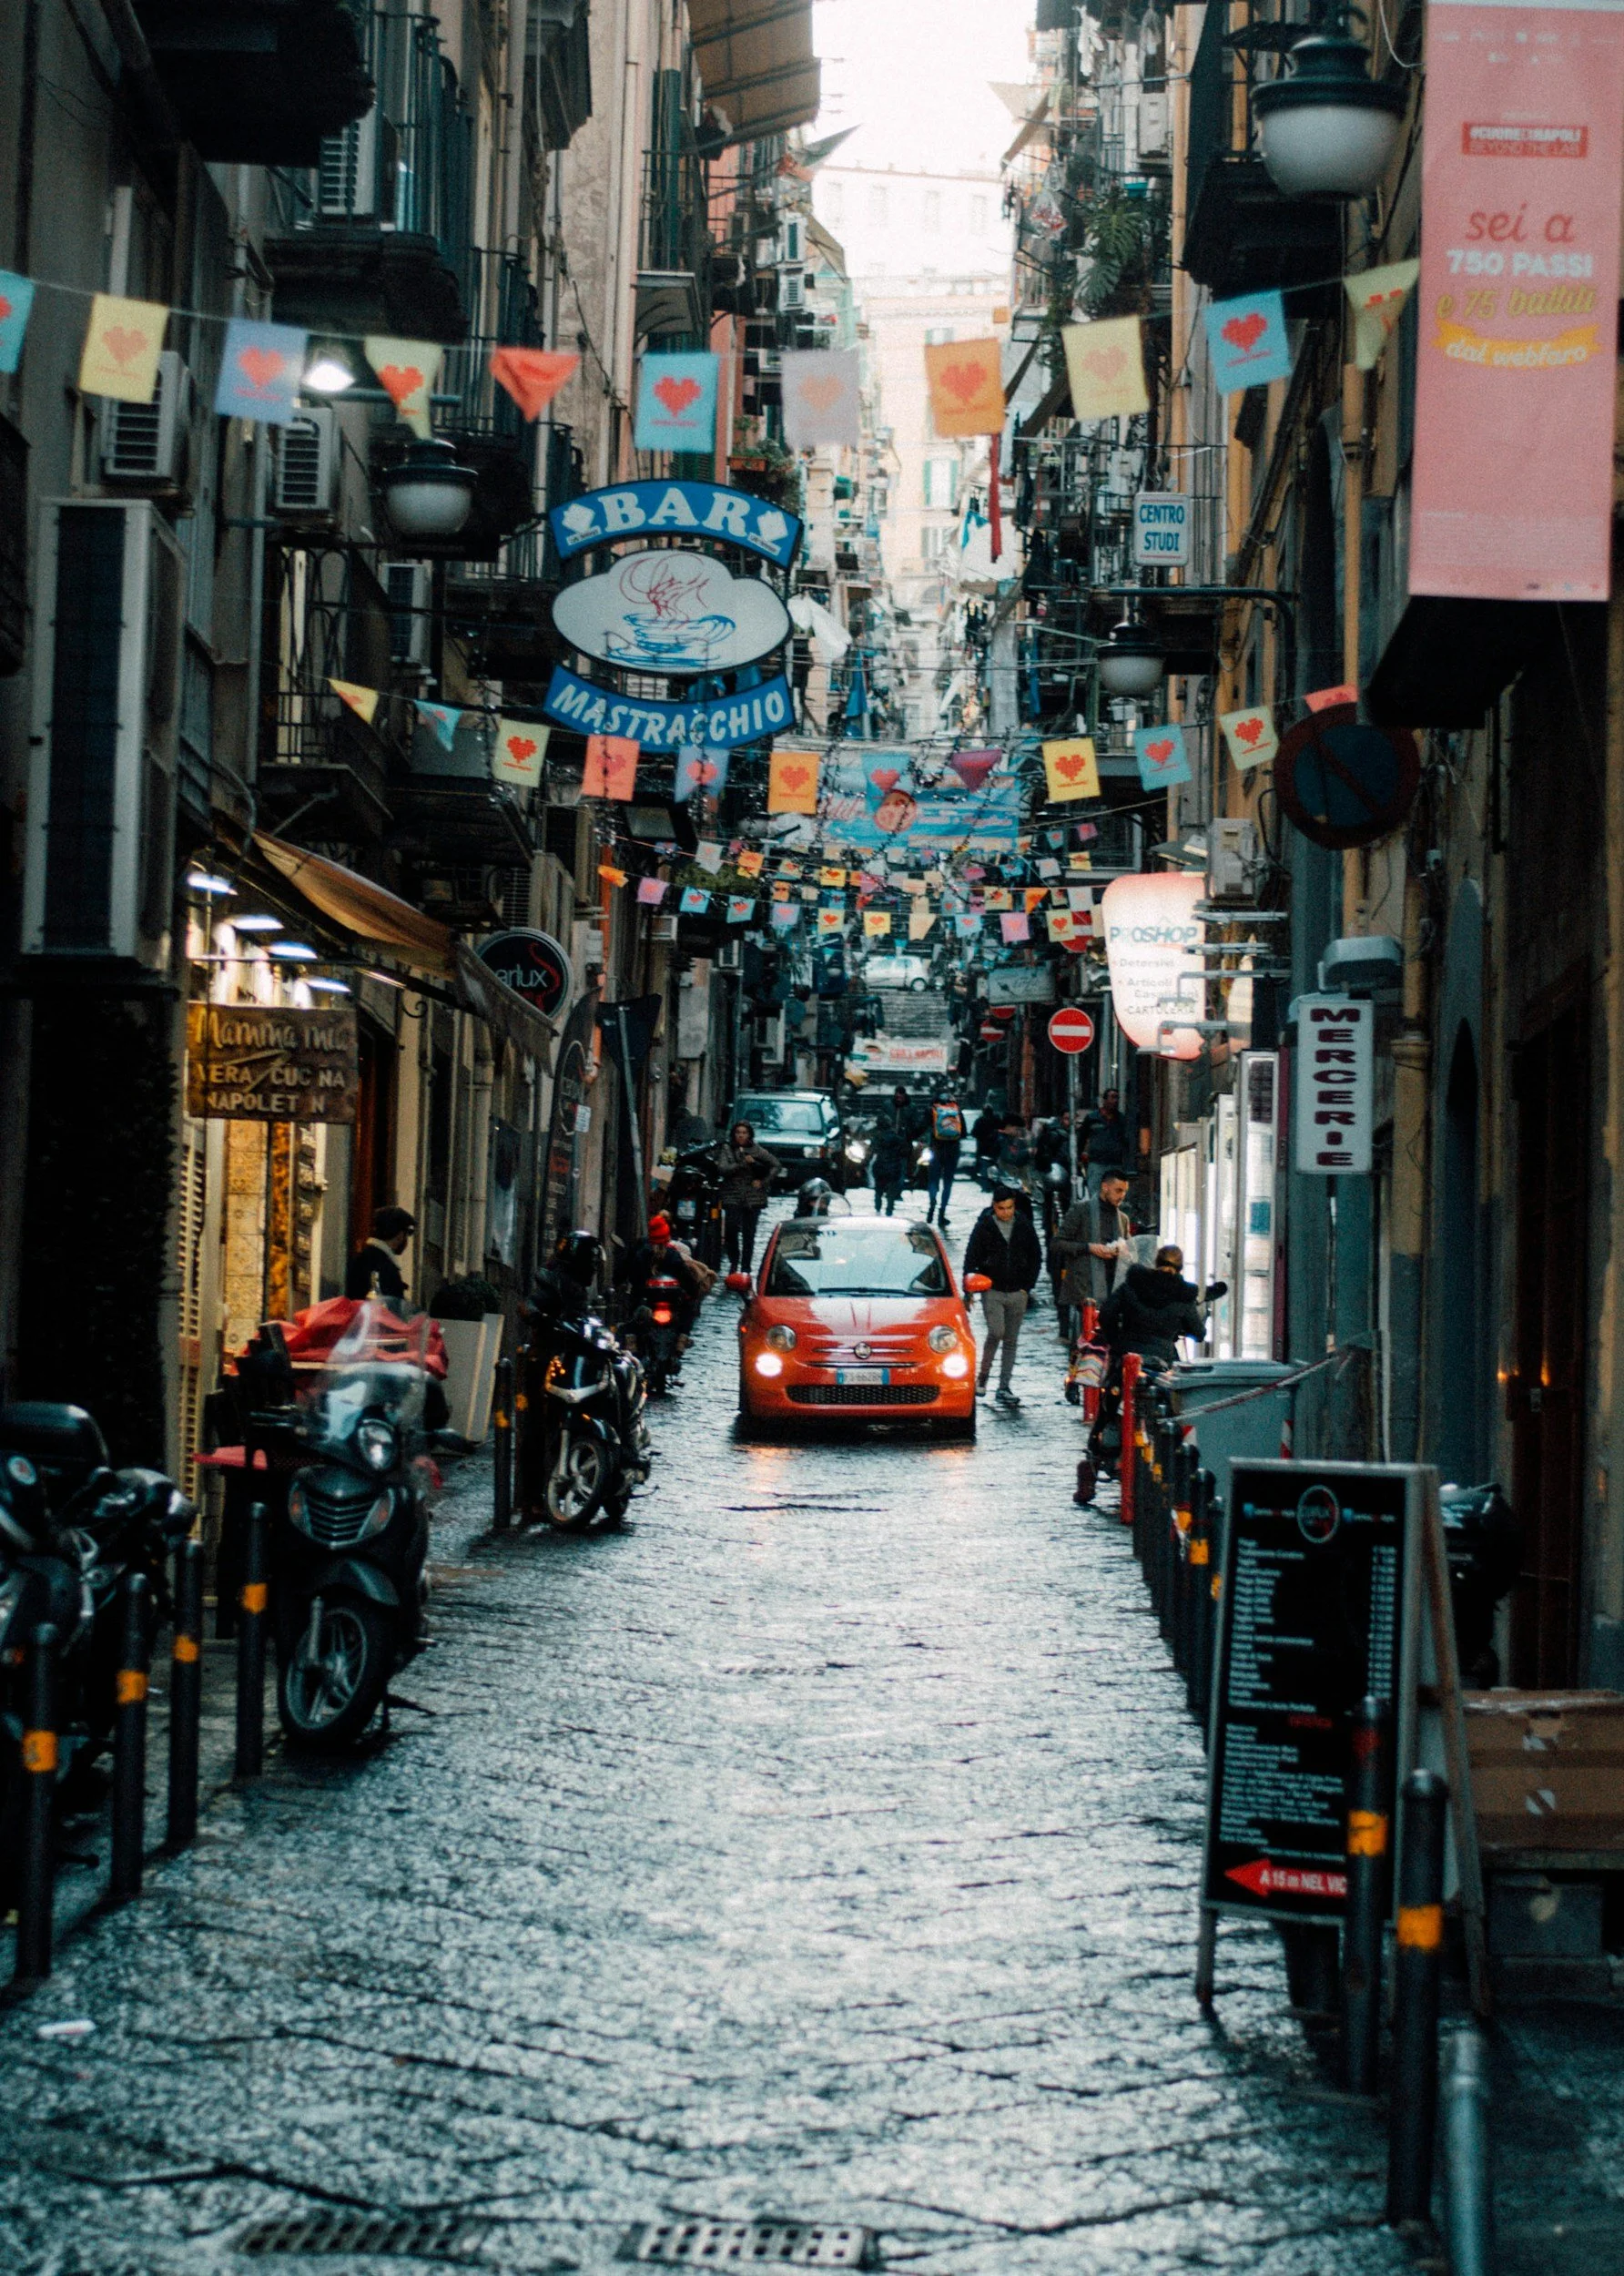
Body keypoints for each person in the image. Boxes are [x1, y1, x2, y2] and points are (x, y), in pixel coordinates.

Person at [962, 1183, 1043, 1410]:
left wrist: (1028, 1286)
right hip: (992, 1289)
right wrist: (968, 1291)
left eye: (1008, 1208)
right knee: (996, 1332)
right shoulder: (985, 1227)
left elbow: (1036, 1256)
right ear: (994, 1206)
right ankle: (983, 1376)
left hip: (1018, 1291)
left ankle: (1004, 1386)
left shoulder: (1024, 1225)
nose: (1005, 1212)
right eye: (1001, 1208)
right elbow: (971, 1257)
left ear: (1014, 1206)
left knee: (1011, 1340)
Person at [1049, 1169, 1132, 1346]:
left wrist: (1124, 1251)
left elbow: (1131, 1252)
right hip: (1085, 1290)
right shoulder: (1081, 1211)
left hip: (1113, 1293)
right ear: (1105, 1187)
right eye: (1118, 1190)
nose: (1122, 1196)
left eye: (1125, 1191)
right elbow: (1057, 1244)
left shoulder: (1123, 1219)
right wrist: (1089, 1248)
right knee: (1085, 1344)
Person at [1100, 1244, 1208, 1370]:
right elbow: (1198, 1332)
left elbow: (1106, 1313)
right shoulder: (1184, 1294)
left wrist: (1115, 1339)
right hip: (1162, 1358)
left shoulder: (1134, 1282)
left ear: (1156, 1261)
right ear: (1180, 1267)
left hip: (1126, 1353)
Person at [622, 1214, 703, 1336]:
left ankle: (632, 1340)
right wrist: (693, 1293)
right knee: (688, 1310)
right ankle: (683, 1336)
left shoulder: (641, 1254)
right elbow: (687, 1279)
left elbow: (632, 1276)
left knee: (632, 1317)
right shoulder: (673, 1255)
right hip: (671, 1304)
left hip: (645, 1301)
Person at [714, 1120, 776, 1275]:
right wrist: (740, 1165)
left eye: (744, 1133)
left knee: (749, 1234)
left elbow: (775, 1165)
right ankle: (734, 1261)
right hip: (732, 1195)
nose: (741, 1136)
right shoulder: (727, 1149)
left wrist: (763, 1182)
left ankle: (746, 1267)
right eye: (738, 1133)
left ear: (749, 1135)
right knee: (731, 1230)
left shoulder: (757, 1150)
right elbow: (722, 1168)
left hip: (753, 1197)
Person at [345, 1205, 415, 1303]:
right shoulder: (383, 1265)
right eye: (406, 1234)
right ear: (400, 1235)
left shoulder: (364, 1257)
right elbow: (388, 1305)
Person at [1081, 1087, 1132, 1200]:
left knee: (1114, 1196)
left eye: (1117, 1098)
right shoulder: (1092, 1118)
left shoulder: (1121, 1120)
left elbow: (1126, 1142)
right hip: (1097, 1163)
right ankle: (1096, 1217)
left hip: (1115, 1164)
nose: (1115, 1101)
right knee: (1095, 1195)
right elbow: (1082, 1138)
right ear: (1104, 1100)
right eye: (1112, 1097)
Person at [926, 1094, 965, 1226]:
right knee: (947, 1183)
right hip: (952, 1152)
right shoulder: (956, 1112)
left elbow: (922, 1127)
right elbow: (963, 1132)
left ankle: (932, 1205)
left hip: (936, 1151)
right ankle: (942, 1213)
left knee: (933, 1180)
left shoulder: (933, 1111)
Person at [871, 1122, 909, 1216]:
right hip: (894, 1167)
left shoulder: (877, 1138)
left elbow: (872, 1150)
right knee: (892, 1190)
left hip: (880, 1166)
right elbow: (905, 1152)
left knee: (878, 1189)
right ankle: (889, 1209)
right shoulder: (898, 1139)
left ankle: (878, 1208)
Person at [970, 1103, 1001, 1189]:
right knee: (995, 1166)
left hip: (982, 1148)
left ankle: (985, 1185)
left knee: (984, 1167)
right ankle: (994, 1184)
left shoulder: (979, 1121)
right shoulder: (997, 1120)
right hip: (995, 1148)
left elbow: (974, 1133)